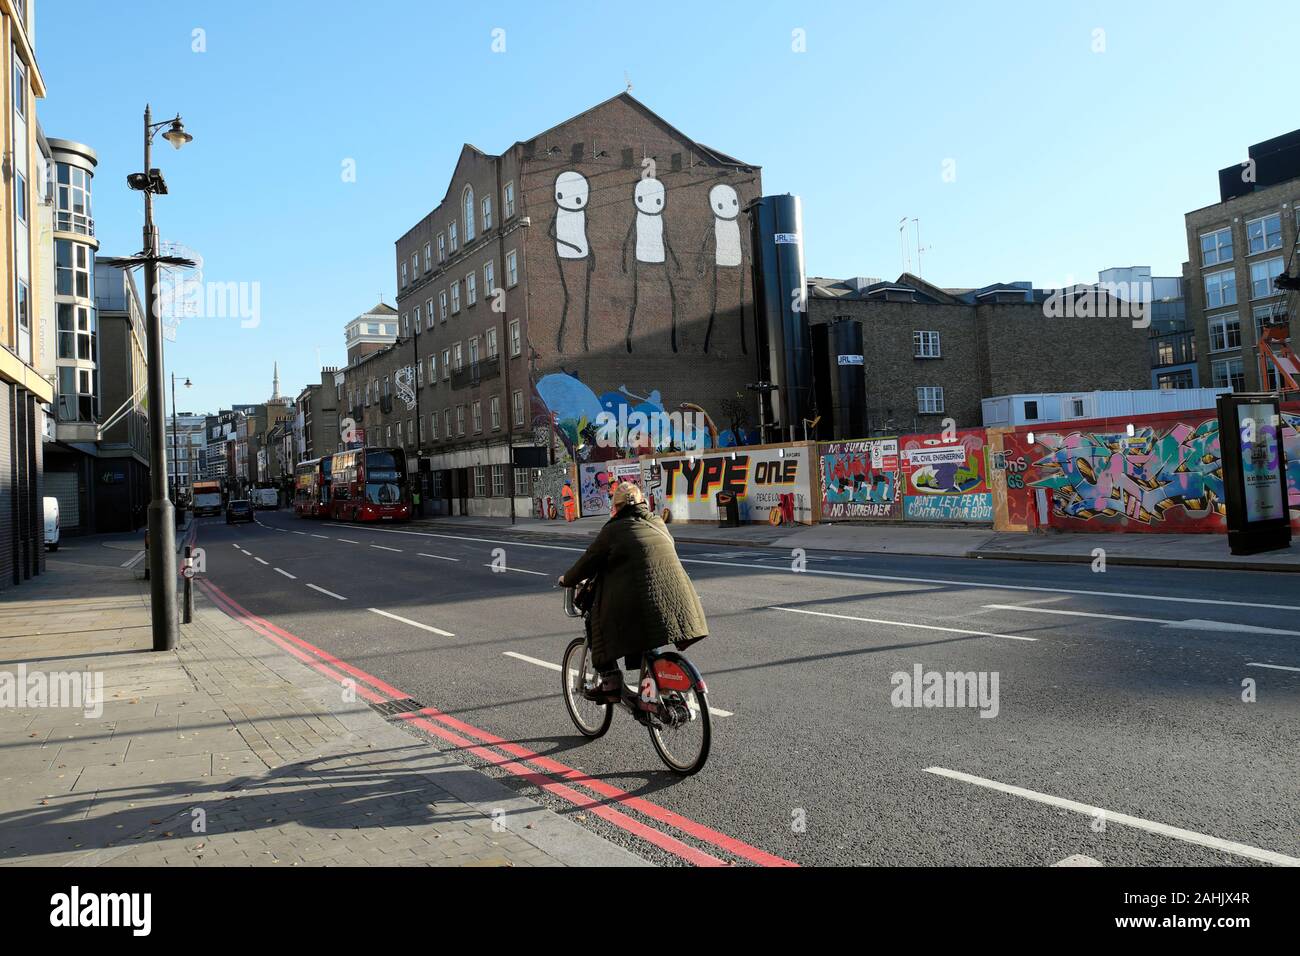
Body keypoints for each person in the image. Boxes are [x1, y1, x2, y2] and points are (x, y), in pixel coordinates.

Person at [557, 481, 708, 701]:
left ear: (616, 506)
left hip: (639, 602)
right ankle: (658, 690)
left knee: (595, 622)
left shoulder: (613, 529)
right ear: (642, 502)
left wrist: (567, 579)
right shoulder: (657, 522)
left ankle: (610, 681)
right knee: (650, 632)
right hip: (677, 598)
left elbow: (586, 563)